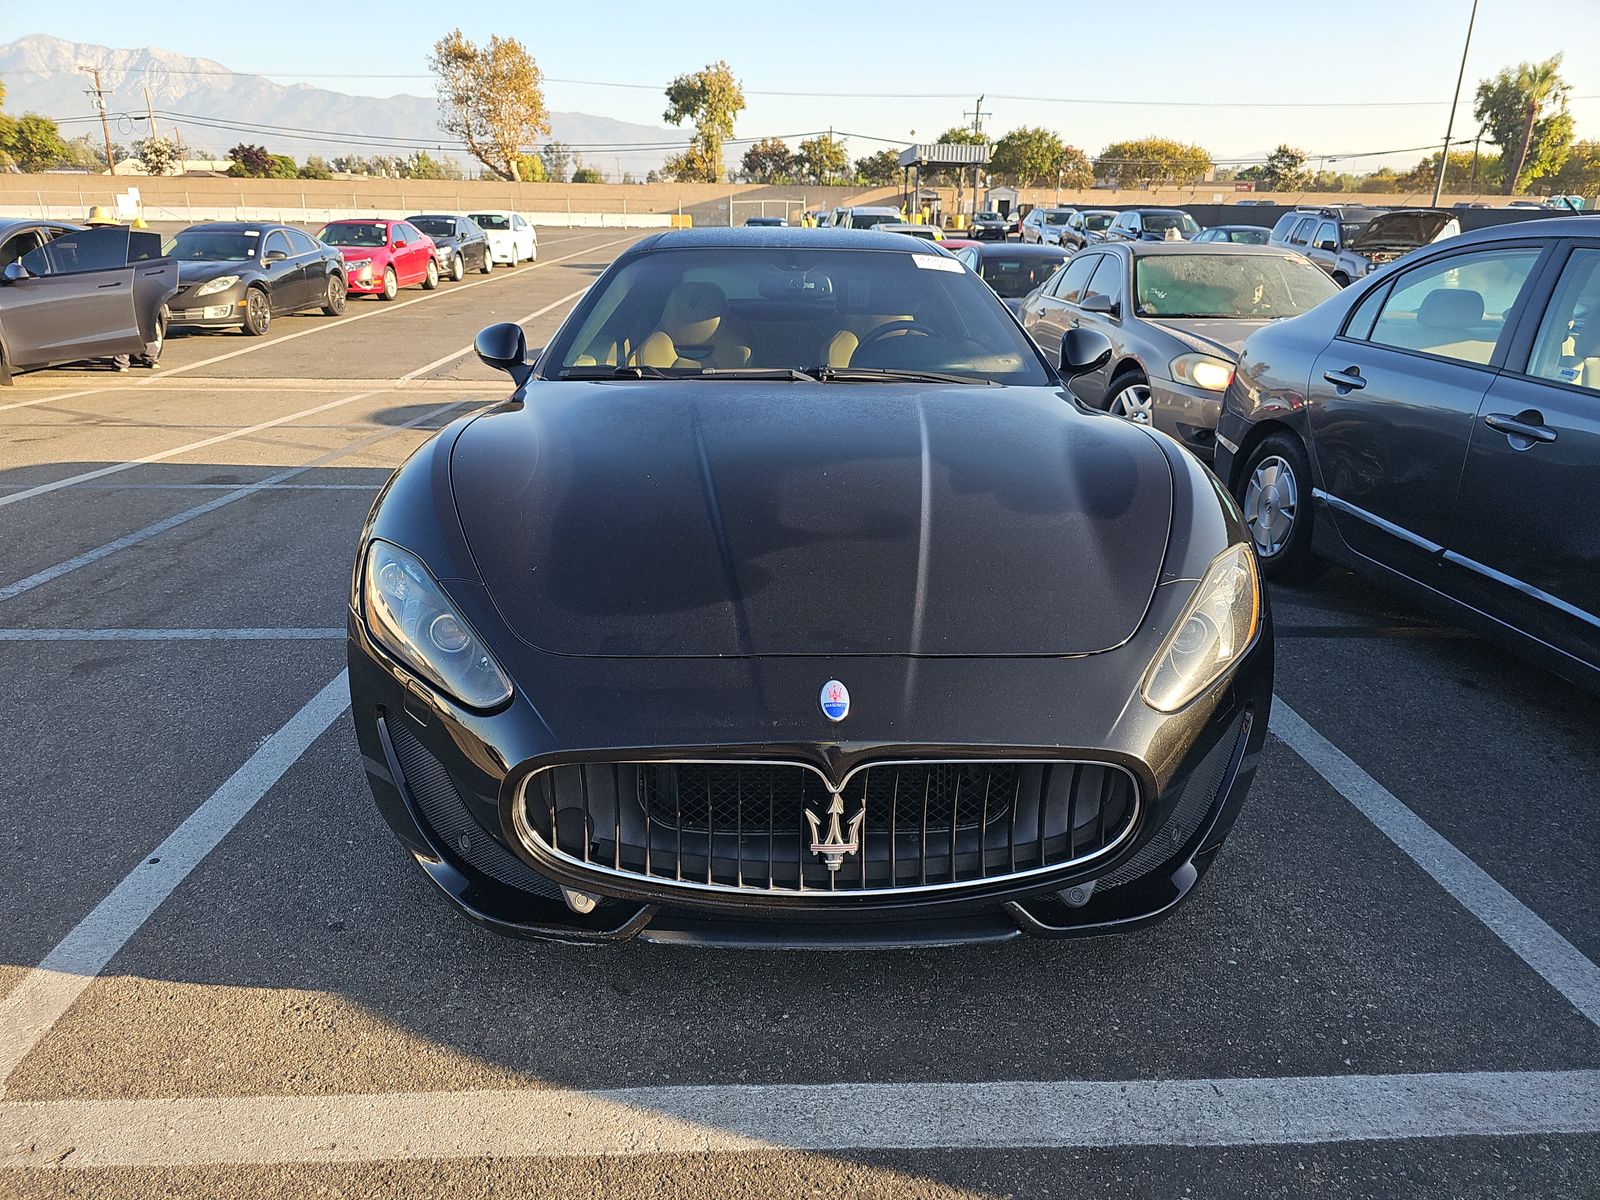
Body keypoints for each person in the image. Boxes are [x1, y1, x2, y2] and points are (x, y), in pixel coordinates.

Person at [82, 207, 158, 371]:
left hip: (106, 287)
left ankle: (122, 362)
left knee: (119, 324)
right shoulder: (124, 241)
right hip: (129, 284)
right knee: (137, 322)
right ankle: (151, 358)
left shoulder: (90, 244)